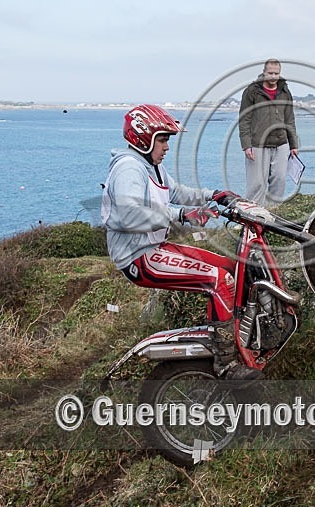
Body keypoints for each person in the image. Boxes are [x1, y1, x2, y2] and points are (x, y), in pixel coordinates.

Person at [101, 104, 263, 381]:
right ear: (144, 138)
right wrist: (180, 215)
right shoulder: (129, 169)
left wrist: (214, 194)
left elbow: (176, 191)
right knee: (218, 280)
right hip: (138, 257)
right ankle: (227, 364)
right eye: (162, 140)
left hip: (156, 248)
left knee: (235, 268)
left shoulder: (151, 166)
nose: (166, 147)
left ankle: (242, 334)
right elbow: (129, 213)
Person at [238, 58, 299, 206]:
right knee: (256, 185)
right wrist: (246, 145)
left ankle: (272, 218)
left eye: (276, 73)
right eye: (270, 73)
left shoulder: (285, 91)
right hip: (257, 144)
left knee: (279, 182)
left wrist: (293, 144)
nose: (273, 76)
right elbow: (244, 119)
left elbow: (289, 119)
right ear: (264, 72)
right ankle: (251, 220)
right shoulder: (252, 91)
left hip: (281, 143)